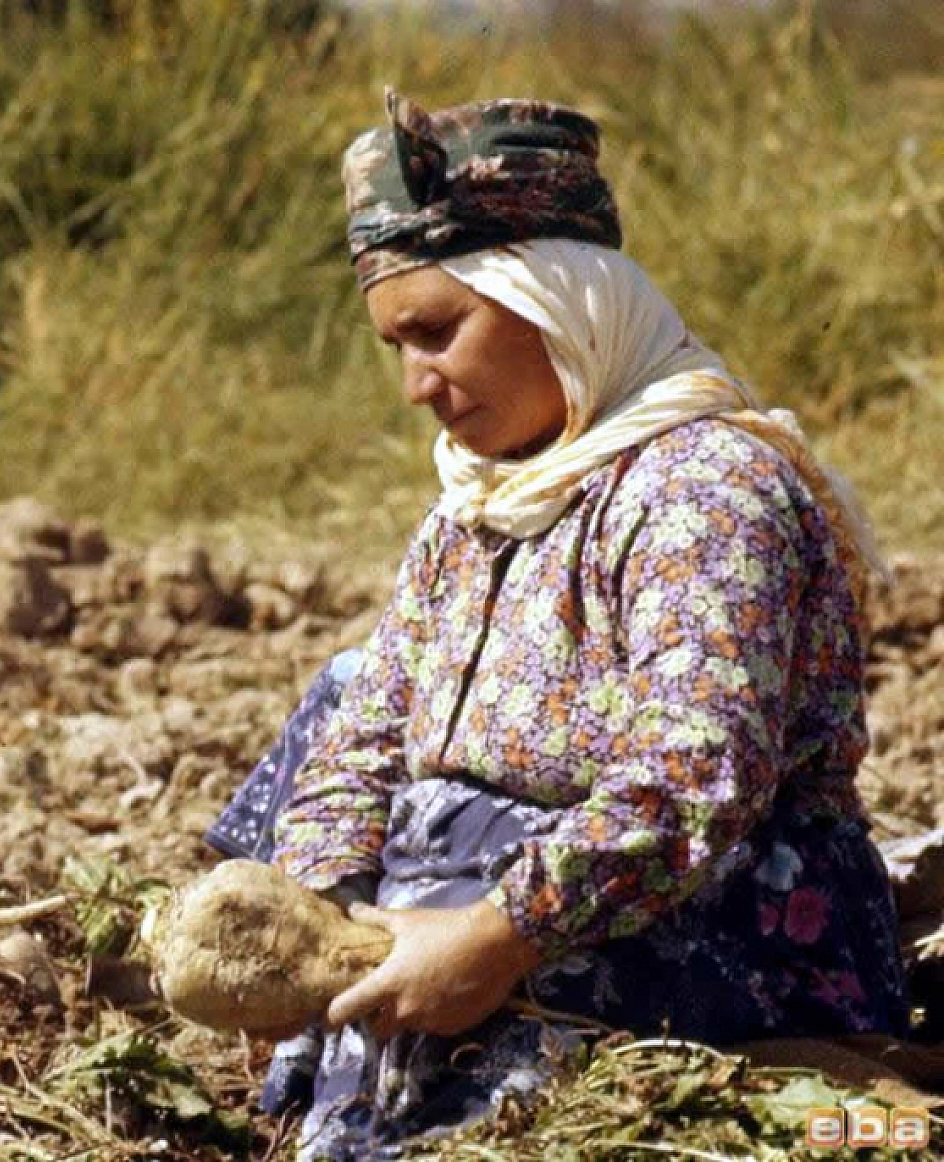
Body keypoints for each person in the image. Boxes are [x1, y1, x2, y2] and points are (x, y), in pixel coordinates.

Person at [205, 88, 909, 1160]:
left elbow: (690, 774)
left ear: (559, 302)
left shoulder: (703, 488)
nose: (415, 387)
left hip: (691, 917)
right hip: (473, 904)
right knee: (341, 688)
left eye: (438, 333)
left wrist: (493, 937)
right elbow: (371, 726)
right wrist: (309, 929)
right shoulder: (473, 508)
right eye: (394, 347)